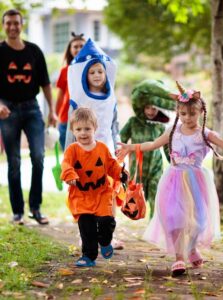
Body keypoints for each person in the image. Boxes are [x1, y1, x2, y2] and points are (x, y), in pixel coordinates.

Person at [117, 81, 223, 276]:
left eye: (192, 114)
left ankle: (192, 247)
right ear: (178, 113)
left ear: (201, 113)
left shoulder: (205, 134)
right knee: (173, 218)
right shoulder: (173, 131)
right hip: (173, 180)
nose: (187, 118)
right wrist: (131, 147)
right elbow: (153, 144)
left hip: (197, 182)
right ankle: (179, 258)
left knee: (198, 220)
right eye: (183, 114)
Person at [65, 38, 124, 250]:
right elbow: (72, 129)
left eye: (100, 71)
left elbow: (114, 123)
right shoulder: (79, 98)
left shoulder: (110, 97)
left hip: (106, 151)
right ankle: (85, 235)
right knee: (84, 195)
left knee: (109, 192)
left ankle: (109, 235)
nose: (97, 75)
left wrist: (118, 144)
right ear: (84, 75)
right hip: (82, 155)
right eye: (92, 72)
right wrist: (68, 160)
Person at [0, 9, 56, 225]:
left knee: (38, 157)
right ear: (4, 25)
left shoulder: (34, 51)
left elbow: (45, 83)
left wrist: (52, 110)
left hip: (32, 109)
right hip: (8, 110)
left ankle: (36, 207)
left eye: (16, 23)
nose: (13, 27)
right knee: (13, 162)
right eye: (8, 23)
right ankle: (18, 212)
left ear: (21, 25)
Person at [61, 107, 128, 267]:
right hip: (81, 195)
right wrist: (70, 175)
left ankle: (105, 241)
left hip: (101, 193)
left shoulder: (102, 148)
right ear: (73, 131)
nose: (83, 133)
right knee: (86, 227)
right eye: (78, 129)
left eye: (87, 129)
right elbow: (66, 164)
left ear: (94, 129)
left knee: (107, 222)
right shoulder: (72, 150)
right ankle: (88, 256)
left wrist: (120, 173)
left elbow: (111, 165)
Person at [120, 79, 175, 219]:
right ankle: (135, 212)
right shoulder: (133, 123)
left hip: (156, 166)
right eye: (148, 108)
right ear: (142, 108)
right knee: (136, 194)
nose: (151, 111)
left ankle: (154, 223)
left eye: (154, 108)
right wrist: (118, 156)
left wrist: (173, 161)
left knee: (156, 195)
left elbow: (166, 147)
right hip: (138, 168)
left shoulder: (160, 127)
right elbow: (122, 139)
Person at [55, 32, 85, 150]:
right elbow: (60, 96)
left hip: (85, 119)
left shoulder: (93, 69)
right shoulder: (65, 71)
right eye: (75, 47)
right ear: (70, 50)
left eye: (81, 46)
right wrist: (55, 115)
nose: (78, 49)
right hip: (66, 119)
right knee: (69, 156)